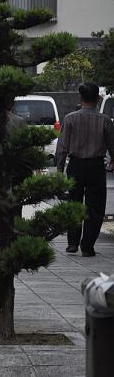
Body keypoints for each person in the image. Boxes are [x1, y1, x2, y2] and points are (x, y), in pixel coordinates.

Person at [56, 82, 114, 257]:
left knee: (73, 203)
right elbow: (112, 146)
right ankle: (87, 245)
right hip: (96, 166)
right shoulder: (105, 120)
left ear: (80, 98)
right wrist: (112, 163)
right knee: (95, 208)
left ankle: (73, 243)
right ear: (98, 98)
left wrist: (59, 170)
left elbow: (62, 147)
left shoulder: (70, 118)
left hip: (76, 165)